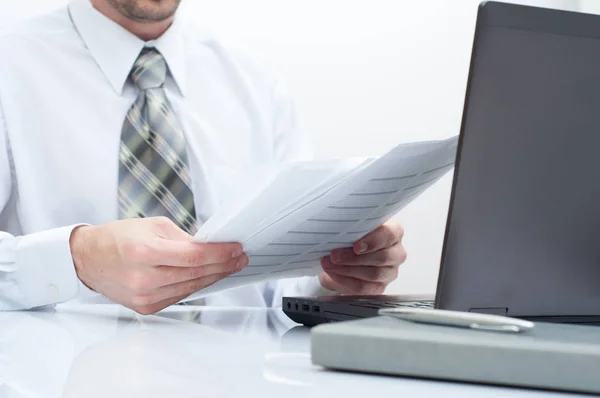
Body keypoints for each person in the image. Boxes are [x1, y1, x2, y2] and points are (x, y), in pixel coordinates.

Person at [0, 0, 407, 315]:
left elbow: (278, 291)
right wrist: (78, 258)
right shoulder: (10, 67)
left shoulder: (258, 85)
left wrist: (335, 276)